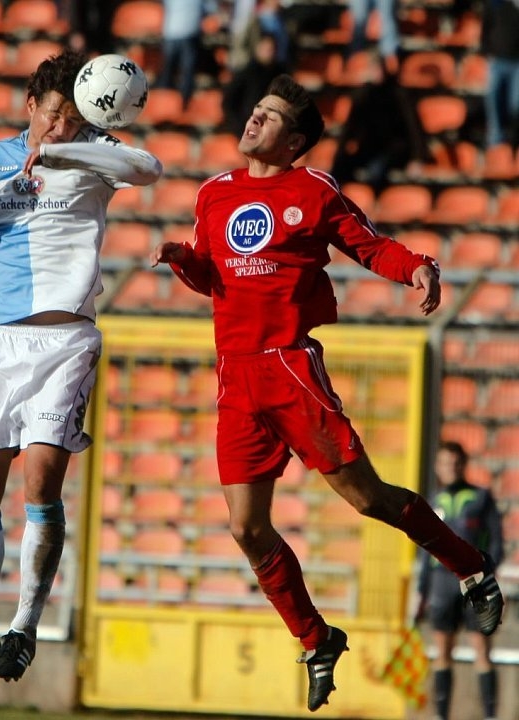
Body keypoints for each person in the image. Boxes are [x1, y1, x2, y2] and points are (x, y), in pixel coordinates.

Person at [149, 73, 504, 712]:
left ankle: (470, 565)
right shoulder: (214, 194)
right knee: (245, 526)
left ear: (295, 145)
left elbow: (367, 246)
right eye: (255, 110)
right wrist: (183, 258)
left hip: (288, 369)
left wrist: (417, 266)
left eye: (271, 117)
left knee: (366, 499)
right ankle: (317, 640)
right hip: (235, 378)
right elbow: (213, 279)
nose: (254, 121)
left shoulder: (312, 192)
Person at [0, 49, 162, 699]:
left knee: (43, 474)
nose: (61, 128)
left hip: (67, 337)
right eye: (52, 118)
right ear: (31, 108)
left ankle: (25, 624)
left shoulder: (92, 152)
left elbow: (148, 168)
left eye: (73, 119)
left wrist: (64, 154)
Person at [415, 441, 504, 720]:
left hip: (474, 583)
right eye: (444, 463)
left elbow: (497, 543)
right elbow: (424, 550)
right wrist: (421, 591)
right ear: (437, 467)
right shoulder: (432, 500)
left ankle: (489, 714)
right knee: (443, 651)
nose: (450, 468)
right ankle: (442, 715)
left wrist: (487, 574)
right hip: (441, 584)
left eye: (455, 463)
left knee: (481, 649)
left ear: (463, 465)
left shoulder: (481, 498)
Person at [331, 55, 433, 191]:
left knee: (376, 170)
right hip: (370, 147)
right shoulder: (363, 95)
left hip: (395, 148)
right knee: (339, 169)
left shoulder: (398, 94)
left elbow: (413, 127)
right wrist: (338, 157)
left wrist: (417, 158)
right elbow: (349, 129)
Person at [221, 32, 289, 138]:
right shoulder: (245, 73)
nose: (269, 53)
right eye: (266, 49)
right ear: (258, 49)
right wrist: (241, 129)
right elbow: (229, 103)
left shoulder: (282, 74)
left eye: (272, 49)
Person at [481, 0, 519, 148]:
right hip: (497, 60)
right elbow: (486, 27)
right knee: (493, 100)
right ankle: (495, 139)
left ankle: (513, 139)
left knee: (515, 104)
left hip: (517, 62)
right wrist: (486, 51)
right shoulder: (495, 4)